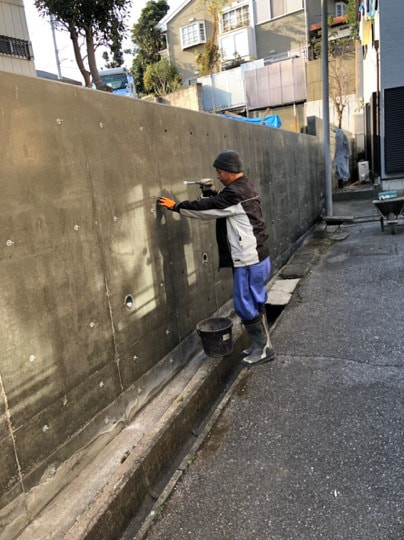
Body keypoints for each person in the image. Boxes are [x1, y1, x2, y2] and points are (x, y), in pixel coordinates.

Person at [158, 150, 275, 366]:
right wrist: (213, 192)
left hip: (248, 259)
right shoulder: (244, 186)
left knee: (243, 305)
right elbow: (225, 203)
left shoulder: (234, 194)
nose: (218, 176)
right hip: (259, 255)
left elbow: (208, 209)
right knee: (256, 301)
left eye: (220, 172)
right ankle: (263, 345)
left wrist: (177, 206)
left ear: (230, 171)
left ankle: (263, 349)